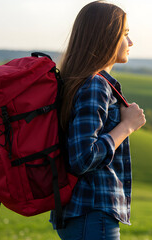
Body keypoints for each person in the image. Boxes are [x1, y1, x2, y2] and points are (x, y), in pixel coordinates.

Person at [50, 1, 146, 239]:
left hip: (82, 214)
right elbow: (82, 157)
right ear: (107, 37)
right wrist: (127, 126)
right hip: (91, 213)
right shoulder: (95, 85)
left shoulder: (80, 81)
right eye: (125, 34)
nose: (131, 42)